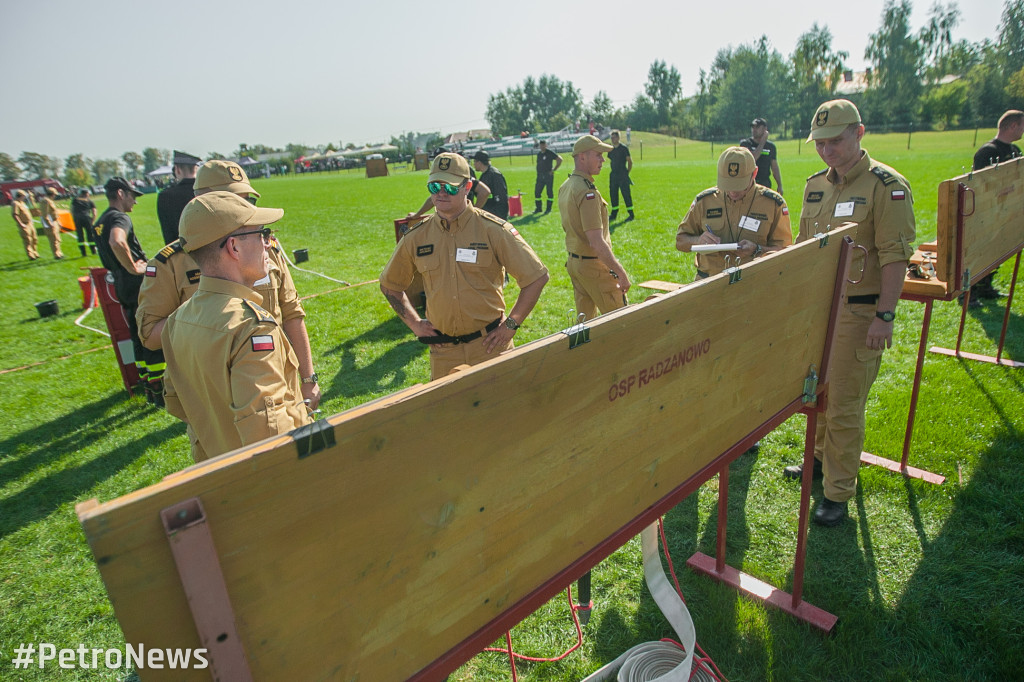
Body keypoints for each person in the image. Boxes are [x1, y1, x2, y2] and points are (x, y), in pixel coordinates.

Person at [781, 99, 915, 527]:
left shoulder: (886, 187)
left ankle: (837, 492)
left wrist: (885, 316)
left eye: (835, 141)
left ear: (859, 133)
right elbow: (805, 249)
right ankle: (817, 462)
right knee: (816, 394)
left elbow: (895, 257)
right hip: (820, 312)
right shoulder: (815, 185)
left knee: (844, 405)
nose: (826, 150)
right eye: (819, 143)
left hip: (859, 313)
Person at [137, 159, 321, 410]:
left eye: (248, 201)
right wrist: (205, 312)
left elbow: (291, 311)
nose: (242, 208)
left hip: (281, 385)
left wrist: (308, 378)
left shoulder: (266, 248)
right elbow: (149, 334)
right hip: (219, 399)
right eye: (229, 200)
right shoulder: (171, 263)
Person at [162, 191, 313, 462]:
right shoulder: (251, 327)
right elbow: (271, 438)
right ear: (234, 247)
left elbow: (175, 401)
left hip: (218, 471)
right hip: (267, 482)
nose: (268, 244)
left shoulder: (177, 320)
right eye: (262, 235)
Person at [380, 152, 549, 380]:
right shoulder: (416, 237)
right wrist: (415, 324)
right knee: (450, 415)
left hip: (490, 347)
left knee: (503, 412)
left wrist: (511, 325)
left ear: (467, 186)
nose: (440, 193)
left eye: (449, 187)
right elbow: (390, 286)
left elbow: (536, 277)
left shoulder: (493, 230)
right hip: (443, 354)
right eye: (434, 187)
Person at [94, 176, 162, 402]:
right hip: (135, 284)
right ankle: (160, 387)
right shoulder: (118, 217)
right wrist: (134, 268)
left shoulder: (101, 220)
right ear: (121, 194)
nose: (135, 202)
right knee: (151, 333)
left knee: (136, 334)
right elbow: (116, 241)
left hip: (121, 285)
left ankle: (145, 381)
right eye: (133, 195)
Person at [676, 146, 791, 279]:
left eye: (739, 185)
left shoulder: (773, 204)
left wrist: (757, 249)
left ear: (754, 174)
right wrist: (698, 241)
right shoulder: (705, 201)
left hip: (754, 282)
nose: (733, 192)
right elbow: (680, 241)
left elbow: (786, 252)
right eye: (727, 184)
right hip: (708, 282)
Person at [558, 134, 631, 320]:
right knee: (621, 321)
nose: (603, 160)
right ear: (582, 157)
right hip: (593, 267)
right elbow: (596, 241)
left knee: (586, 328)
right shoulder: (586, 191)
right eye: (598, 155)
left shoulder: (567, 185)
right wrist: (620, 272)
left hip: (575, 263)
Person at [968, 110, 1023, 301]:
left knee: (997, 249)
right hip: (987, 211)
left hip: (1006, 211)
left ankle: (986, 286)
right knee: (981, 251)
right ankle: (969, 293)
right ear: (1013, 125)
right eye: (1022, 125)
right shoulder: (988, 151)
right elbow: (980, 185)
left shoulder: (1015, 150)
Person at [157, 150, 201, 244]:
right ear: (196, 169)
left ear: (177, 169)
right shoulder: (208, 190)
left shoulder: (166, 196)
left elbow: (168, 234)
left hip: (182, 253)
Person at [739, 117, 783, 194]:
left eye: (757, 127)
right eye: (753, 127)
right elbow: (753, 158)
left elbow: (774, 167)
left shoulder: (770, 146)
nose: (754, 129)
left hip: (765, 184)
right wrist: (763, 141)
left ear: (765, 129)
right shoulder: (745, 144)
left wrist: (779, 185)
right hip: (749, 184)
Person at [471, 150, 509, 219]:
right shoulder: (485, 174)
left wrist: (498, 217)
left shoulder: (494, 175)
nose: (474, 164)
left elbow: (501, 198)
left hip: (496, 215)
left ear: (479, 162)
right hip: (489, 213)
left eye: (474, 161)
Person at [607, 130, 634, 221]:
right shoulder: (610, 149)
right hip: (613, 175)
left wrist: (626, 173)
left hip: (622, 175)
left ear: (618, 138)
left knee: (626, 194)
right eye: (611, 137)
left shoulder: (624, 148)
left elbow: (630, 162)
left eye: (614, 137)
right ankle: (614, 214)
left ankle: (631, 214)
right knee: (613, 194)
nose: (612, 139)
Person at [533, 139, 563, 214]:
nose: (542, 146)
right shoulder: (539, 154)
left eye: (543, 145)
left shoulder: (549, 153)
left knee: (549, 192)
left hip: (548, 175)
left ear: (546, 145)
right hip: (540, 176)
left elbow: (560, 159)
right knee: (537, 192)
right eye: (541, 145)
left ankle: (548, 209)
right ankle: (538, 208)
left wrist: (554, 170)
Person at [10, 190, 39, 261]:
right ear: (20, 196)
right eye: (24, 196)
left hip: (30, 223)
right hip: (24, 224)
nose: (25, 197)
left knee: (34, 239)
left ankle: (35, 252)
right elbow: (15, 215)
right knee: (27, 240)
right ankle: (30, 255)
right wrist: (21, 224)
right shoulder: (15, 203)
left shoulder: (22, 203)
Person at [38, 187, 65, 259]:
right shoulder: (45, 201)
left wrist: (58, 222)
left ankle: (59, 253)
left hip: (55, 221)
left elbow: (54, 212)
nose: (55, 196)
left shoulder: (50, 201)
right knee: (53, 239)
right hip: (50, 222)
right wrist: (49, 223)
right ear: (52, 194)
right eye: (54, 194)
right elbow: (45, 214)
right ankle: (56, 255)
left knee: (57, 239)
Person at [70, 188, 97, 256]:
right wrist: (92, 220)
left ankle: (83, 252)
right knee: (90, 235)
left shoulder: (75, 200)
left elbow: (71, 210)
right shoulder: (90, 201)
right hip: (87, 218)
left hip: (78, 219)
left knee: (80, 235)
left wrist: (74, 219)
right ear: (87, 194)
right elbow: (94, 212)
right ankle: (93, 250)